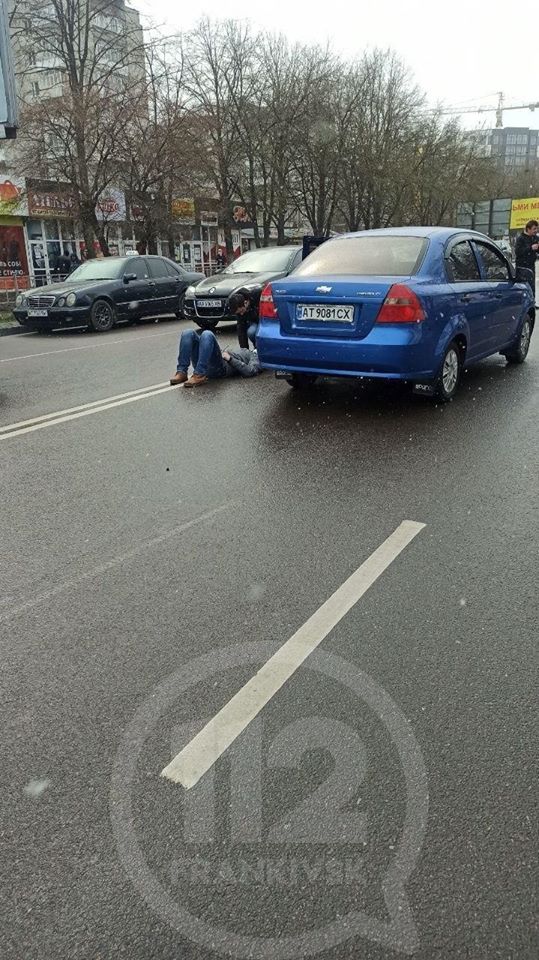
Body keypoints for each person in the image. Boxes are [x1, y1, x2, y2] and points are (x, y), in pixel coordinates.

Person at [170, 328, 260, 387]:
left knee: (207, 334)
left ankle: (199, 375)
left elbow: (250, 371)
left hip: (220, 369)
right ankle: (182, 372)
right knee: (188, 333)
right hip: (208, 361)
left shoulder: (257, 356)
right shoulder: (248, 350)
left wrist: (230, 359)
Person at [515, 219, 539, 300]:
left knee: (532, 286)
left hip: (531, 265)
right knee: (524, 286)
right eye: (534, 229)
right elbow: (518, 252)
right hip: (522, 267)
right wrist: (530, 248)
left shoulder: (535, 238)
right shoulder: (521, 239)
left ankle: (532, 302)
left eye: (537, 229)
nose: (536, 231)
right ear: (528, 229)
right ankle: (525, 303)